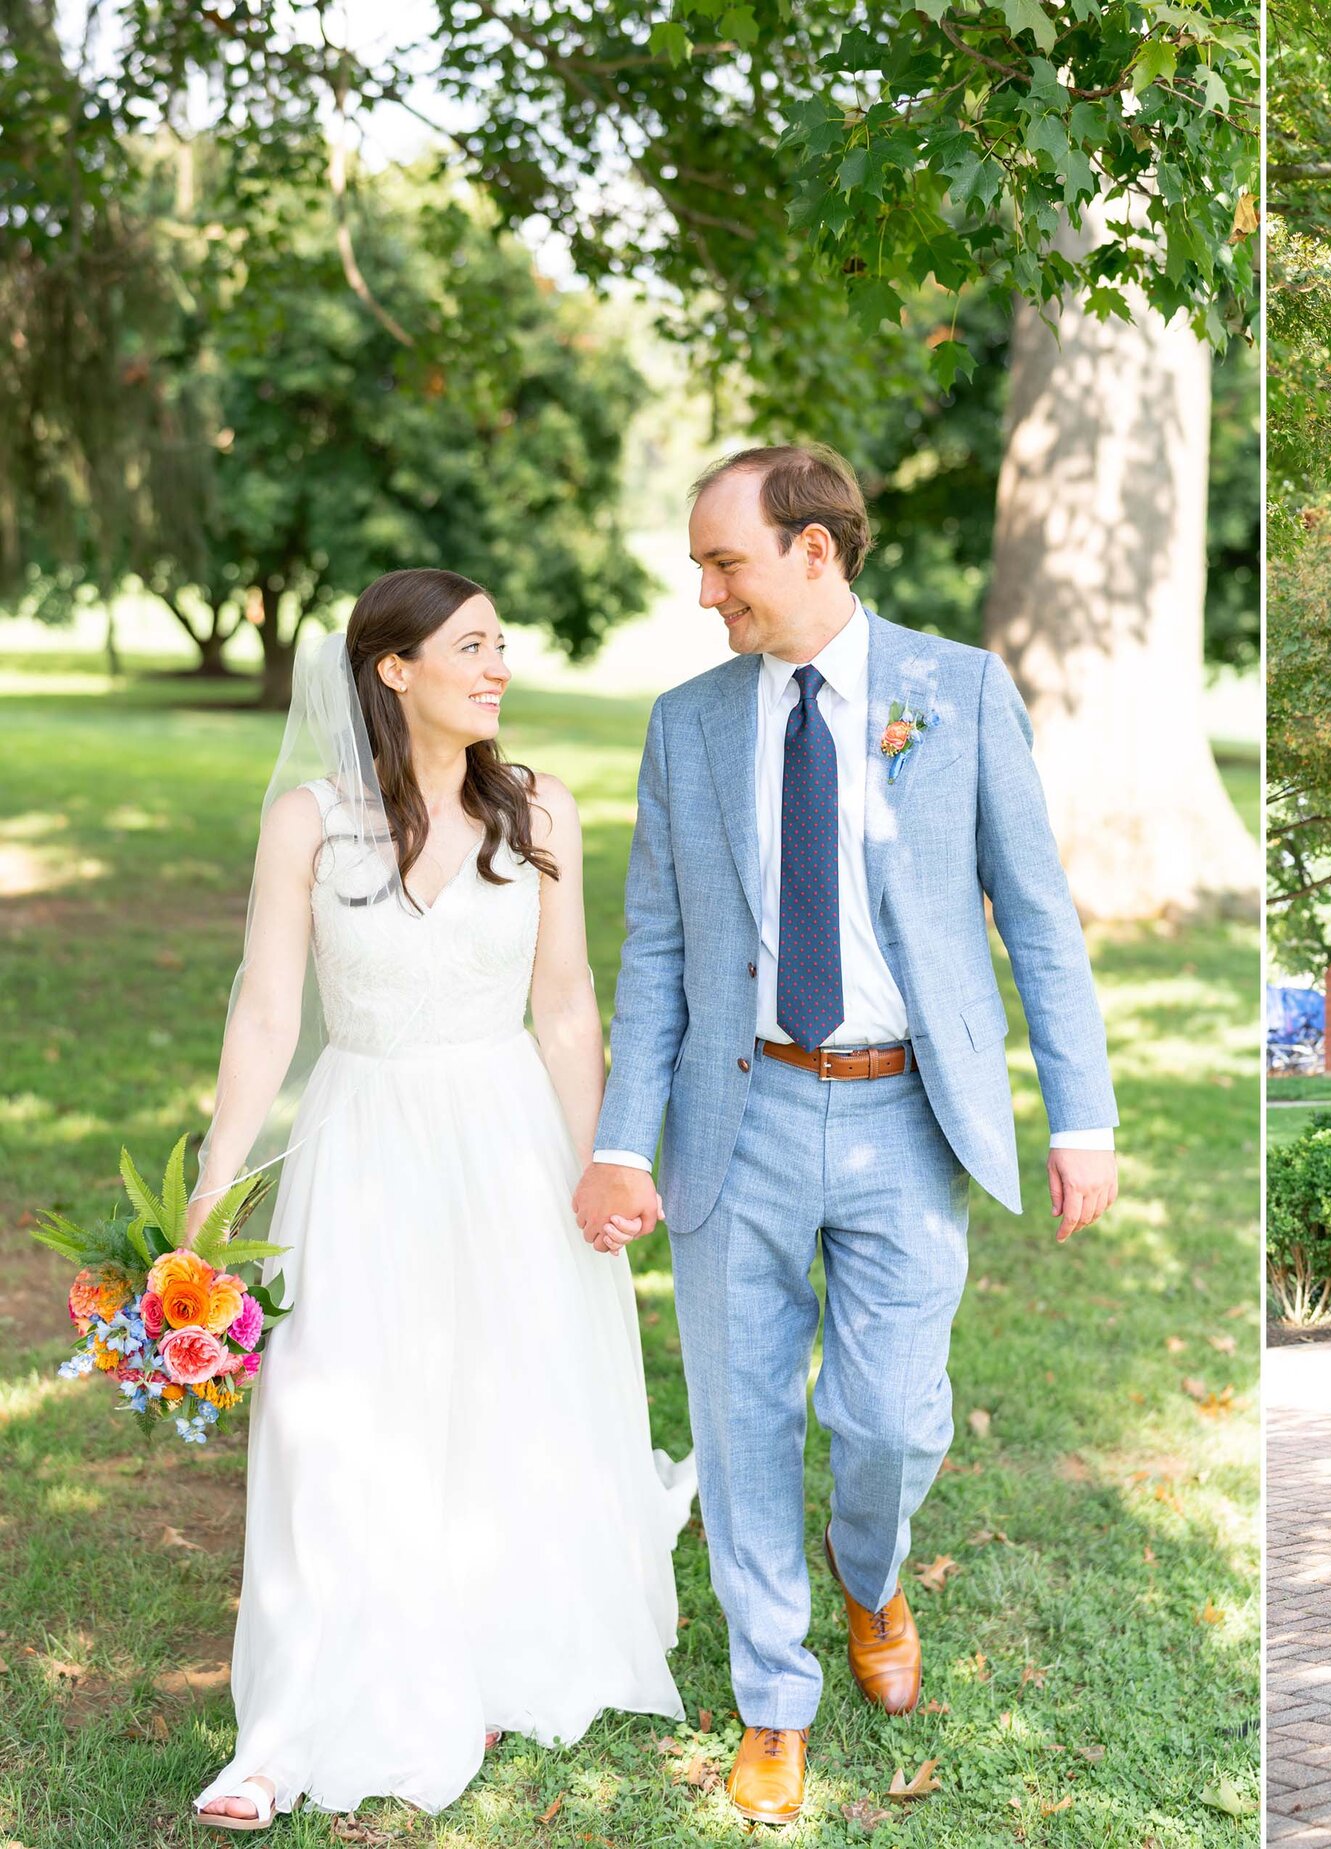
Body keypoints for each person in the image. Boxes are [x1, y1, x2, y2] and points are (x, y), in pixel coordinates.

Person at [570, 444, 1120, 1827]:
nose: (706, 593)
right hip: (734, 1109)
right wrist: (624, 1138)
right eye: (701, 566)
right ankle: (773, 1698)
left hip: (901, 1113)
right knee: (743, 1420)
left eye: (725, 562)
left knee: (885, 1416)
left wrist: (1087, 1113)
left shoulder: (957, 692)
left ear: (815, 551)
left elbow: (1037, 916)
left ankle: (868, 1570)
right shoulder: (686, 724)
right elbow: (656, 950)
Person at [189, 571, 694, 1830]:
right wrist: (212, 1189)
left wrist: (606, 1160)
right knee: (325, 1417)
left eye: (503, 643)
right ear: (394, 669)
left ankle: (476, 1643)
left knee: (498, 1394)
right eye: (472, 645)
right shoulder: (311, 822)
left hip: (506, 1136)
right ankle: (283, 1727)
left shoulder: (544, 816)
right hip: (360, 1139)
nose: (499, 665)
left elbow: (567, 1006)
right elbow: (265, 1011)